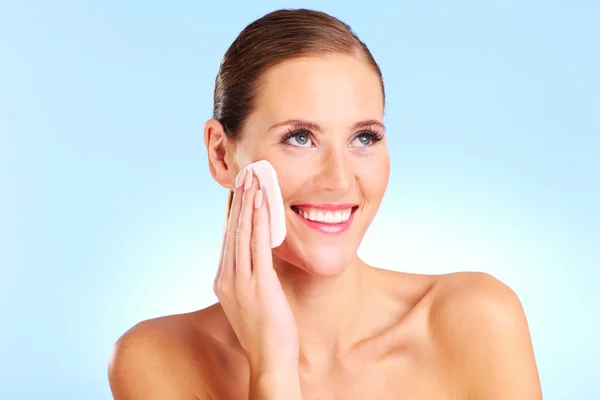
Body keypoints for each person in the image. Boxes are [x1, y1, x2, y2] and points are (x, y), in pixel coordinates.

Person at [108, 8, 542, 399]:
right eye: (300, 137)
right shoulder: (156, 358)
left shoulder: (478, 320)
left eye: (364, 137)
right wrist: (273, 366)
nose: (339, 180)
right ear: (221, 154)